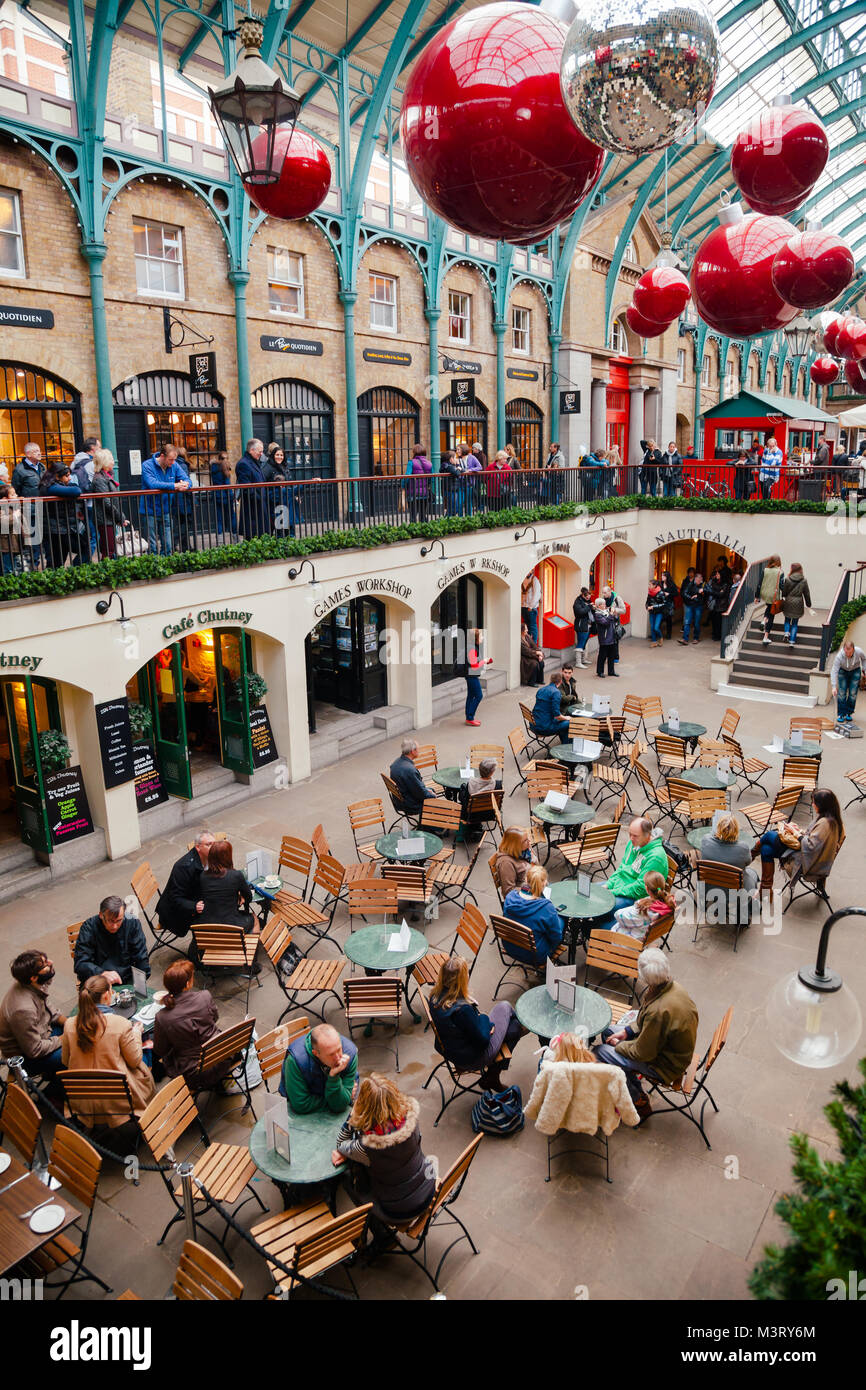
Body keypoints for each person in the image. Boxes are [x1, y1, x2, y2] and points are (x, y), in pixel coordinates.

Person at [595, 948, 698, 1118]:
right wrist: (628, 1031)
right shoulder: (670, 986)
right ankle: (629, 1080)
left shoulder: (658, 1011)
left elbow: (643, 1052)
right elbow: (644, 1021)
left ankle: (637, 1101)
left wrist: (619, 1045)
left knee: (599, 1053)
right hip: (664, 1047)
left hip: (665, 1064)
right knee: (607, 1030)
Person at [332, 1075, 436, 1238]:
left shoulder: (368, 1147)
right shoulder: (410, 1118)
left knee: (347, 1176)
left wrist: (353, 1114)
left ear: (364, 1107)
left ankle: (382, 1237)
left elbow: (341, 1143)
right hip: (429, 1189)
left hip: (399, 1210)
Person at [61, 974, 156, 1128]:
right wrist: (136, 1033)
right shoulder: (120, 1023)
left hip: (82, 1098)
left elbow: (65, 1061)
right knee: (146, 1050)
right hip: (118, 1099)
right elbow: (134, 1060)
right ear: (106, 995)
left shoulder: (70, 1024)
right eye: (111, 991)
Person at [429, 956, 524, 1090]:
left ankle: (493, 1077)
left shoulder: (435, 996)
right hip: (472, 1057)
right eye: (466, 973)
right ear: (462, 979)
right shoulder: (462, 1010)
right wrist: (487, 1022)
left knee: (513, 1027)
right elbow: (483, 1040)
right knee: (508, 1013)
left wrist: (476, 1016)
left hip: (451, 1048)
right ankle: (492, 1077)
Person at [756, 788, 843, 903]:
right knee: (766, 849)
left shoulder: (824, 823)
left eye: (814, 802)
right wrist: (799, 831)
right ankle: (764, 891)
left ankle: (748, 857)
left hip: (807, 863)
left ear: (822, 805)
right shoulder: (831, 820)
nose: (812, 804)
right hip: (812, 858)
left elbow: (810, 846)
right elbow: (815, 839)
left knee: (769, 836)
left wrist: (795, 832)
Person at [152, 958, 229, 1085]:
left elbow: (161, 1050)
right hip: (221, 1058)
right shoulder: (205, 996)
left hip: (194, 1072)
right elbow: (215, 1018)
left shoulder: (162, 1017)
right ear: (187, 984)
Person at [0, 949, 66, 1090]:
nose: (51, 963)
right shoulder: (22, 1009)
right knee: (74, 1049)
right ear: (33, 978)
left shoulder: (33, 984)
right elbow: (34, 1050)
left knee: (76, 1027)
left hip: (42, 1034)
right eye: (45, 964)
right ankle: (59, 1089)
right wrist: (63, 1038)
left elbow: (48, 1008)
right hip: (26, 1058)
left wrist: (70, 1023)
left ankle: (57, 1077)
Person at [280, 1022, 358, 1112]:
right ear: (316, 1053)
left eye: (339, 1049)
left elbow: (339, 1106)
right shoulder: (296, 1061)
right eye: (331, 1054)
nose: (338, 1057)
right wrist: (342, 1098)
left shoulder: (350, 1054)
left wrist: (334, 1077)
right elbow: (301, 1104)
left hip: (318, 1102)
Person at [74, 896, 150, 985]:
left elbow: (141, 957)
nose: (114, 926)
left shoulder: (132, 923)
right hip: (99, 980)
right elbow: (80, 964)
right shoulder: (89, 928)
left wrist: (140, 984)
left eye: (119, 921)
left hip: (126, 978)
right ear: (101, 915)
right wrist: (102, 973)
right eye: (110, 921)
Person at [603, 817, 670, 917]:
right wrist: (608, 885)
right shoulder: (633, 843)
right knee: (590, 893)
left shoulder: (656, 857)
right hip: (621, 886)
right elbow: (622, 868)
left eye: (635, 836)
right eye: (630, 834)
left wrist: (612, 892)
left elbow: (641, 889)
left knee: (601, 905)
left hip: (636, 897)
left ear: (648, 836)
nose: (631, 838)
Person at [156, 830, 216, 939]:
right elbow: (174, 898)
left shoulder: (211, 857)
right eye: (208, 845)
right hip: (178, 913)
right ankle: (199, 948)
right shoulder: (183, 867)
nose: (213, 848)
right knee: (215, 918)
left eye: (214, 844)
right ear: (198, 847)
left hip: (197, 898)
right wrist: (194, 906)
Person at [502, 864, 564, 966]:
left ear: (526, 880)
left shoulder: (510, 897)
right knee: (560, 921)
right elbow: (556, 937)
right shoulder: (546, 908)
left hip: (510, 946)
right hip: (534, 956)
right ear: (544, 884)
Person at [140, 443, 189, 556]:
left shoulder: (174, 465)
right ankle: (153, 566)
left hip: (166, 508)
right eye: (170, 460)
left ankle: (166, 564)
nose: (173, 462)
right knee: (152, 544)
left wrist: (186, 485)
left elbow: (186, 478)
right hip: (149, 509)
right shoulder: (147, 465)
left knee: (168, 544)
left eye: (174, 460)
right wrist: (174, 486)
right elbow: (152, 484)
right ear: (162, 456)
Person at [196, 839, 255, 931]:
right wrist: (241, 897)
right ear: (227, 857)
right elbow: (249, 898)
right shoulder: (236, 875)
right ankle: (253, 945)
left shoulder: (203, 875)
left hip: (207, 925)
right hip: (231, 925)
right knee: (254, 919)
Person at [37, 462, 87, 568]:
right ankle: (67, 576)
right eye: (67, 476)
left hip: (62, 528)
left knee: (60, 559)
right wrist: (73, 486)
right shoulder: (49, 487)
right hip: (55, 529)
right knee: (56, 561)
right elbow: (76, 490)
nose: (69, 479)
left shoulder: (53, 485)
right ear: (56, 476)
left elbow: (74, 490)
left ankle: (70, 575)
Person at [699, 812, 758, 892]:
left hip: (709, 886)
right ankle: (750, 900)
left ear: (718, 828)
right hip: (734, 889)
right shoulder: (743, 848)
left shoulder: (705, 840)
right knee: (753, 873)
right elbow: (748, 862)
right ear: (736, 830)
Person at [90, 448, 131, 559]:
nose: (113, 462)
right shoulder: (100, 479)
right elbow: (106, 502)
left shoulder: (106, 476)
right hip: (104, 519)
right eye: (111, 459)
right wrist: (120, 517)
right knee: (108, 550)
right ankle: (106, 573)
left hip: (108, 518)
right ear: (105, 461)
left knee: (110, 549)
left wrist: (119, 518)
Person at [613, 870, 676, 942]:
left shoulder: (644, 911)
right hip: (645, 936)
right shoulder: (669, 904)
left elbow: (618, 915)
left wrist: (635, 906)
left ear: (646, 888)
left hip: (630, 942)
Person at [12, 441, 44, 567]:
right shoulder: (20, 470)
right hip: (30, 509)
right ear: (28, 454)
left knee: (43, 538)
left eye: (39, 450)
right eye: (36, 451)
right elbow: (16, 489)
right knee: (33, 540)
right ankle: (33, 565)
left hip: (44, 507)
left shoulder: (42, 467)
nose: (39, 453)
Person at [389, 738, 437, 815]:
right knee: (434, 797)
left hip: (399, 800)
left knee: (430, 790)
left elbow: (417, 789)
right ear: (412, 751)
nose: (419, 751)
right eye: (418, 749)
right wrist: (432, 796)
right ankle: (427, 823)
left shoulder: (396, 763)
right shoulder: (410, 771)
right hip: (410, 805)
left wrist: (427, 790)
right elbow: (420, 793)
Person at [235, 438, 268, 539]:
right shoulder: (243, 464)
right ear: (251, 450)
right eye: (260, 451)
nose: (261, 454)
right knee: (252, 537)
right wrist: (258, 497)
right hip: (252, 509)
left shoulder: (254, 462)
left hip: (259, 506)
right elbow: (246, 488)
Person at [495, 825, 537, 896]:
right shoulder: (506, 863)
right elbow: (508, 892)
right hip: (525, 897)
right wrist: (531, 889)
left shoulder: (524, 851)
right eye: (525, 840)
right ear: (515, 845)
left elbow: (535, 864)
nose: (529, 841)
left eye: (528, 838)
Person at [831, 639, 866, 723]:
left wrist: (865, 669)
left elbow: (864, 659)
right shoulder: (839, 656)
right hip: (843, 671)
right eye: (846, 653)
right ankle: (841, 714)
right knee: (842, 693)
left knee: (853, 693)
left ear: (853, 649)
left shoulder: (859, 651)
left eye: (850, 653)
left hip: (855, 671)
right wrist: (833, 686)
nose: (848, 655)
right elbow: (834, 670)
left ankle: (849, 713)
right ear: (844, 649)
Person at [465, 627, 492, 726]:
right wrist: (484, 661)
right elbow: (474, 666)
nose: (482, 637)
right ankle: (470, 717)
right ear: (475, 638)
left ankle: (469, 717)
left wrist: (484, 661)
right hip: (471, 676)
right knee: (478, 695)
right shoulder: (472, 649)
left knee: (471, 695)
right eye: (480, 635)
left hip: (470, 675)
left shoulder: (472, 647)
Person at [209, 450, 239, 539]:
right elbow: (227, 485)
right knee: (232, 516)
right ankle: (235, 535)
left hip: (216, 495)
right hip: (226, 496)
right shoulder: (225, 468)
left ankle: (220, 538)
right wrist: (233, 497)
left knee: (219, 517)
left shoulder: (213, 467)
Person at [530, 671, 570, 735]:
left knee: (562, 720)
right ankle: (565, 744)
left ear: (551, 680)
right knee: (569, 723)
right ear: (561, 681)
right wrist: (567, 718)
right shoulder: (556, 693)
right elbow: (557, 716)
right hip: (544, 728)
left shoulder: (541, 690)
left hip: (534, 725)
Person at [781, 561, 811, 647]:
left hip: (789, 601)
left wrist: (784, 597)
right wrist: (808, 604)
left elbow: (784, 592)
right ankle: (792, 641)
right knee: (794, 623)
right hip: (798, 603)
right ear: (800, 569)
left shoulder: (788, 579)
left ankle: (786, 633)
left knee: (787, 619)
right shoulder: (804, 581)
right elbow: (807, 593)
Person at [759, 553, 782, 646]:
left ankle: (764, 620)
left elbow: (759, 583)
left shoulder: (765, 570)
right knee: (771, 615)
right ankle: (765, 637)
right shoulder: (780, 572)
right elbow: (782, 585)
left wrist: (757, 596)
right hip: (774, 595)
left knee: (768, 608)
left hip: (765, 594)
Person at [0, 484, 24, 575]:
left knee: (12, 569)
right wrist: (15, 516)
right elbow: (3, 522)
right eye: (13, 494)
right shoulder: (2, 508)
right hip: (5, 546)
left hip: (13, 545)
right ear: (5, 499)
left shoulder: (12, 507)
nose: (16, 496)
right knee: (7, 571)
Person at [405, 443, 432, 522]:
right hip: (424, 493)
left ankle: (413, 530)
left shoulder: (411, 462)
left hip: (413, 493)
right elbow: (431, 478)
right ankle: (424, 529)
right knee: (423, 514)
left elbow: (407, 476)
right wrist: (428, 486)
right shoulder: (429, 463)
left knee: (413, 514)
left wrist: (403, 486)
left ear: (414, 452)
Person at [593, 597, 618, 677]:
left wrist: (615, 614)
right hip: (604, 638)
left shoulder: (607, 611)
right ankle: (600, 672)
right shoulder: (597, 614)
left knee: (611, 656)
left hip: (612, 637)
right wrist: (611, 614)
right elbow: (606, 623)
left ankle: (611, 671)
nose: (605, 605)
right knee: (602, 656)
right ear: (598, 606)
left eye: (604, 603)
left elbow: (614, 620)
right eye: (603, 604)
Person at [705, 566, 731, 643]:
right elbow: (714, 590)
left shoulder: (726, 584)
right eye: (716, 574)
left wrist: (713, 591)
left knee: (719, 622)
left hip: (721, 606)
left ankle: (718, 636)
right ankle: (715, 635)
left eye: (718, 574)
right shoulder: (715, 581)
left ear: (722, 575)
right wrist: (717, 591)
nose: (716, 575)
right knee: (714, 621)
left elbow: (721, 595)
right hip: (715, 605)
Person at [679, 569, 704, 645]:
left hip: (698, 606)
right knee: (687, 622)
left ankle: (696, 638)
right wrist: (691, 597)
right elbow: (684, 593)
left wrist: (701, 594)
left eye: (701, 580)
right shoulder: (690, 584)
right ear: (695, 579)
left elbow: (705, 596)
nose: (700, 581)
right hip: (689, 605)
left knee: (696, 622)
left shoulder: (703, 585)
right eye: (698, 580)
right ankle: (685, 639)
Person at [572, 586, 594, 667]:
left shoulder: (587, 601)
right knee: (580, 643)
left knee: (584, 642)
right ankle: (578, 662)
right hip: (581, 625)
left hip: (588, 625)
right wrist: (589, 607)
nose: (588, 597)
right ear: (582, 595)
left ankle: (583, 660)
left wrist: (593, 608)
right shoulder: (578, 602)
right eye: (586, 596)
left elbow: (589, 611)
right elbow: (580, 612)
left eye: (589, 596)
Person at [520, 622, 545, 686]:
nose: (527, 630)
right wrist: (537, 654)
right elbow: (527, 651)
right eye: (526, 629)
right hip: (525, 658)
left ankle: (539, 680)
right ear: (522, 630)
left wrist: (540, 654)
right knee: (534, 664)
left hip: (532, 655)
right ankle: (531, 682)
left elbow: (534, 646)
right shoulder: (520, 640)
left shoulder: (527, 636)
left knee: (541, 662)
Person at [759, 434, 782, 500]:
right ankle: (765, 502)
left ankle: (767, 502)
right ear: (767, 445)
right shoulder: (766, 450)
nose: (771, 447)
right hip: (763, 473)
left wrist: (771, 453)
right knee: (763, 489)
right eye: (770, 446)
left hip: (772, 475)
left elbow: (773, 463)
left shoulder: (779, 452)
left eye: (773, 446)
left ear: (776, 445)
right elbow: (763, 460)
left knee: (766, 487)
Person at [522, 569, 542, 643]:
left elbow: (537, 594)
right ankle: (527, 643)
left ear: (532, 571)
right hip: (523, 607)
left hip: (531, 608)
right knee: (526, 627)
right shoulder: (522, 579)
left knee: (532, 627)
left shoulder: (535, 580)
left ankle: (534, 644)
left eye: (529, 570)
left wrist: (531, 606)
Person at [646, 581, 665, 647]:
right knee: (652, 627)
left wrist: (653, 607)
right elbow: (647, 602)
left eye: (650, 585)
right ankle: (654, 641)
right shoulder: (649, 592)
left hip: (659, 612)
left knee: (656, 627)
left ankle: (660, 637)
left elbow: (664, 604)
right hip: (652, 612)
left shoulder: (661, 593)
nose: (649, 586)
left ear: (654, 585)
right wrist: (647, 607)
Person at [659, 570, 678, 641]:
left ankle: (668, 634)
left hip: (669, 604)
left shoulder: (672, 584)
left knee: (668, 620)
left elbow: (676, 593)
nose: (662, 577)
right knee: (660, 619)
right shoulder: (660, 583)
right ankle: (658, 634)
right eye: (662, 575)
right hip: (661, 604)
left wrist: (669, 594)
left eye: (663, 576)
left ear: (667, 577)